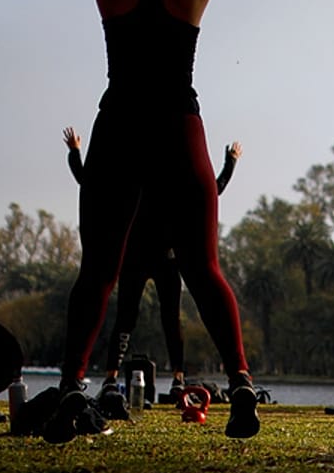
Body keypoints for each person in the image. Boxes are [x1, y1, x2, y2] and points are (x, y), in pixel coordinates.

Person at [12, 0, 281, 442]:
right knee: (204, 267)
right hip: (180, 127)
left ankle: (75, 388)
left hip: (121, 125)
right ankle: (240, 381)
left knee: (100, 270)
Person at [64, 125, 240, 411]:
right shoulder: (151, 184)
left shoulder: (138, 184)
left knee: (145, 317)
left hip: (148, 259)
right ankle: (138, 378)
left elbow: (87, 181)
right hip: (154, 259)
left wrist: (75, 153)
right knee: (141, 317)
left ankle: (150, 378)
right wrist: (230, 163)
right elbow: (213, 190)